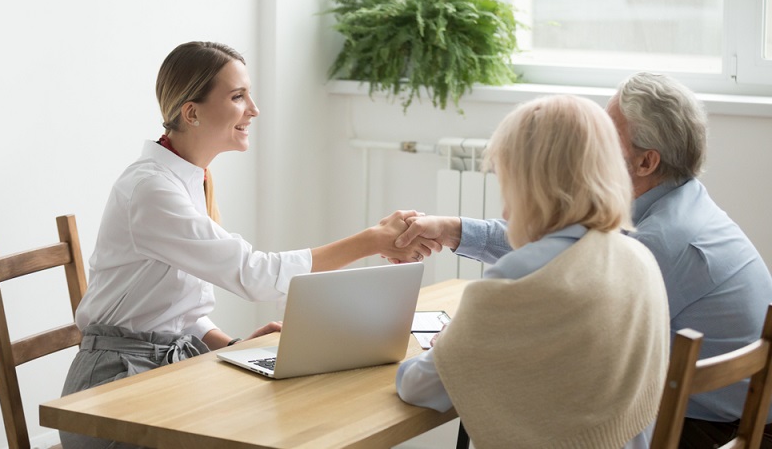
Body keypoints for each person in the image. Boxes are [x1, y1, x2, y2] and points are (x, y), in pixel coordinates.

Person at [60, 41, 435, 449]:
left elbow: (172, 309)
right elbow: (256, 275)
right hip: (114, 386)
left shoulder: (191, 180)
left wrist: (232, 345)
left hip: (165, 370)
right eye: (238, 96)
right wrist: (372, 240)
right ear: (192, 112)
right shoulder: (151, 191)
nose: (253, 109)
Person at [395, 73, 772, 448]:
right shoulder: (675, 214)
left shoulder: (658, 243)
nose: (595, 143)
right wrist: (456, 231)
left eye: (609, 133)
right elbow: (567, 260)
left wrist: (465, 341)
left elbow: (558, 270)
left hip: (709, 429)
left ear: (646, 162)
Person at [396, 94, 670, 448]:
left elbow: (418, 387)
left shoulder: (516, 282)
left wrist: (450, 345)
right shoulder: (639, 258)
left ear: (529, 186)